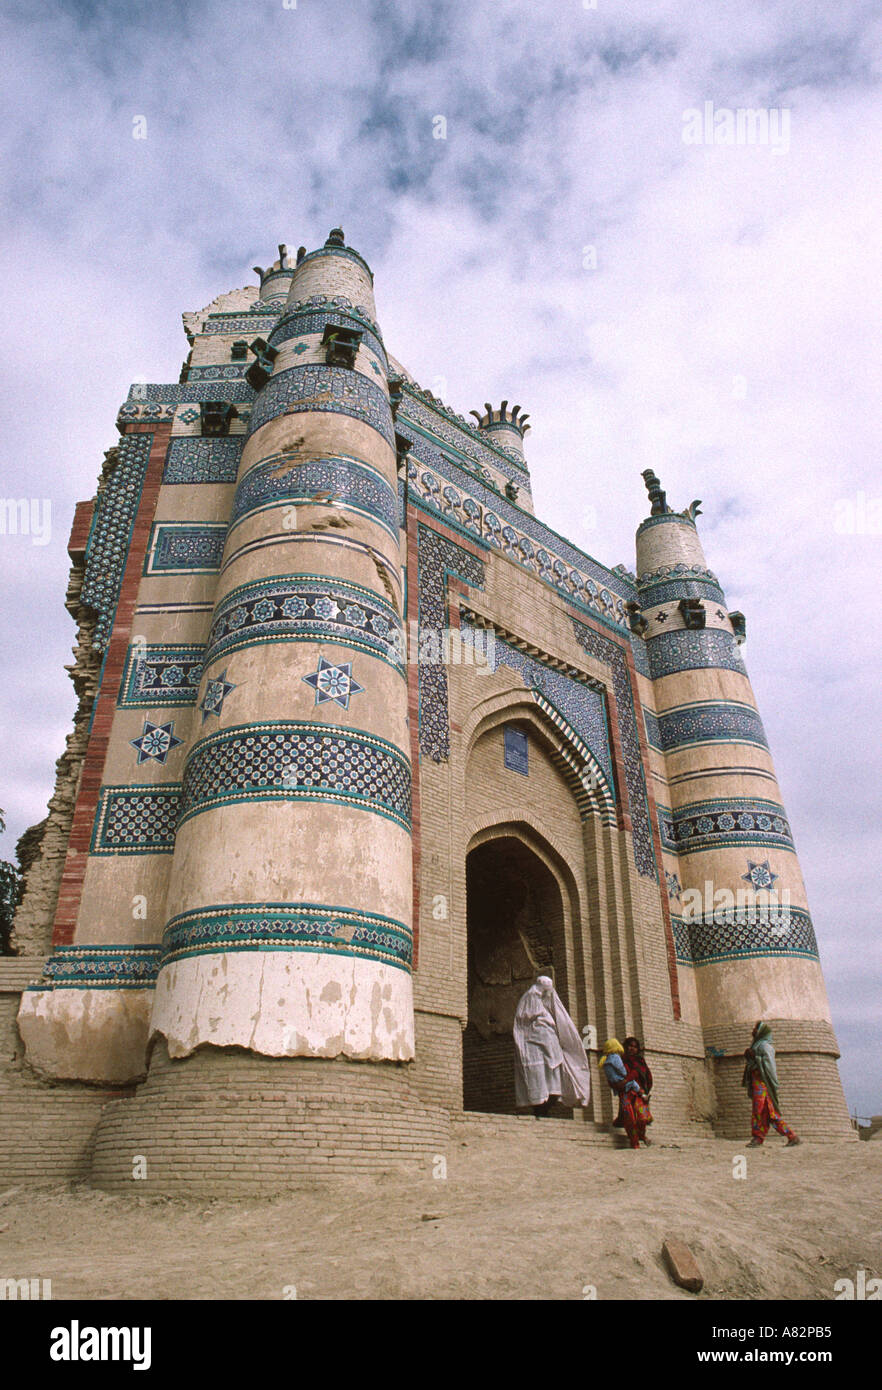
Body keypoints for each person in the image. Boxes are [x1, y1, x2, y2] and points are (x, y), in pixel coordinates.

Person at [513, 976, 592, 1117]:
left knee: (555, 1087)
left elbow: (563, 1024)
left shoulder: (550, 1007)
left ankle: (545, 1111)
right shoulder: (530, 1002)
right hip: (536, 1052)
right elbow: (522, 1027)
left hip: (553, 1052)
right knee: (538, 1083)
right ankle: (540, 1111)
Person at [742, 1020, 801, 1147]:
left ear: (761, 1032)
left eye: (756, 1029)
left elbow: (769, 1066)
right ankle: (790, 1136)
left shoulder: (765, 1047)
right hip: (757, 1084)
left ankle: (759, 1138)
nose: (753, 1031)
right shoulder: (757, 1045)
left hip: (763, 1085)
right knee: (767, 1113)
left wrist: (755, 1058)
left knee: (761, 1111)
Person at [599, 1038, 652, 1148]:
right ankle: (634, 1142)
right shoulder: (619, 1060)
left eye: (635, 1046)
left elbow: (645, 1076)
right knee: (630, 1118)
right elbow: (613, 1076)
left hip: (638, 1093)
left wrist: (644, 1090)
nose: (632, 1048)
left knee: (642, 1117)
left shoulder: (640, 1061)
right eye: (630, 1046)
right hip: (625, 1093)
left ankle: (642, 1135)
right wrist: (617, 1085)